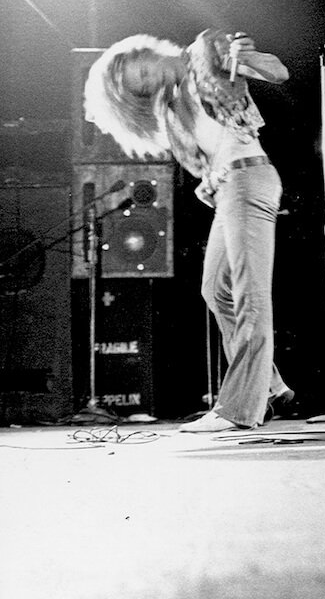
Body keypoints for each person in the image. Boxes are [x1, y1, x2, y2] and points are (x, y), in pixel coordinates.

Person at [83, 30, 294, 431]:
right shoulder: (170, 106)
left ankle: (238, 409)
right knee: (215, 291)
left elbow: (277, 72)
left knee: (251, 297)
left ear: (149, 51)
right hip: (230, 188)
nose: (151, 79)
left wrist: (245, 56)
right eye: (141, 85)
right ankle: (268, 386)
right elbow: (208, 154)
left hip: (250, 179)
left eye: (144, 69)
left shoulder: (205, 52)